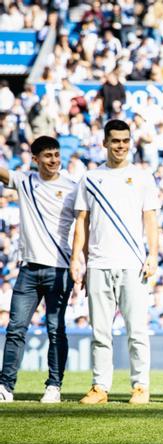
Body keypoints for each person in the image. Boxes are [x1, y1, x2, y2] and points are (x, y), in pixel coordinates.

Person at [71, 120, 159, 405]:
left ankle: (140, 386)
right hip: (98, 263)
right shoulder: (90, 178)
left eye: (125, 140)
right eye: (115, 140)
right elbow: (81, 222)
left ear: (130, 142)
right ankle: (100, 387)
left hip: (132, 264)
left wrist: (153, 255)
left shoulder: (143, 177)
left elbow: (150, 219)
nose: (120, 145)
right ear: (105, 143)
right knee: (100, 332)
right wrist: (79, 260)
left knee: (137, 330)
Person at [0, 137, 77, 403]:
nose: (54, 160)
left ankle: (54, 386)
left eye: (57, 154)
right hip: (28, 269)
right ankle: (5, 387)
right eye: (47, 156)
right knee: (15, 329)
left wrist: (80, 263)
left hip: (60, 269)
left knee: (56, 330)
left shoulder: (72, 187)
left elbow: (86, 225)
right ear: (35, 159)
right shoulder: (25, 181)